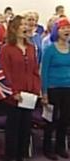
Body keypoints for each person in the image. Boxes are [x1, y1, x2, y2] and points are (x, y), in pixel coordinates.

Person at [0, 15, 41, 161]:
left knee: (26, 126)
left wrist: (36, 89)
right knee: (14, 127)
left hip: (30, 94)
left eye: (26, 25)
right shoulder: (6, 49)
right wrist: (13, 92)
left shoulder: (31, 48)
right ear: (14, 28)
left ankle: (23, 155)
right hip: (15, 95)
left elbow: (35, 70)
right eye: (22, 25)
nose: (26, 27)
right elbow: (5, 72)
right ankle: (12, 155)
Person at [41, 18, 70, 160]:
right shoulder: (50, 49)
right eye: (63, 28)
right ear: (56, 31)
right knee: (52, 120)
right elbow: (44, 72)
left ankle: (60, 147)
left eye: (68, 28)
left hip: (68, 88)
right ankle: (47, 148)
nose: (66, 30)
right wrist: (44, 92)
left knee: (65, 119)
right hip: (53, 88)